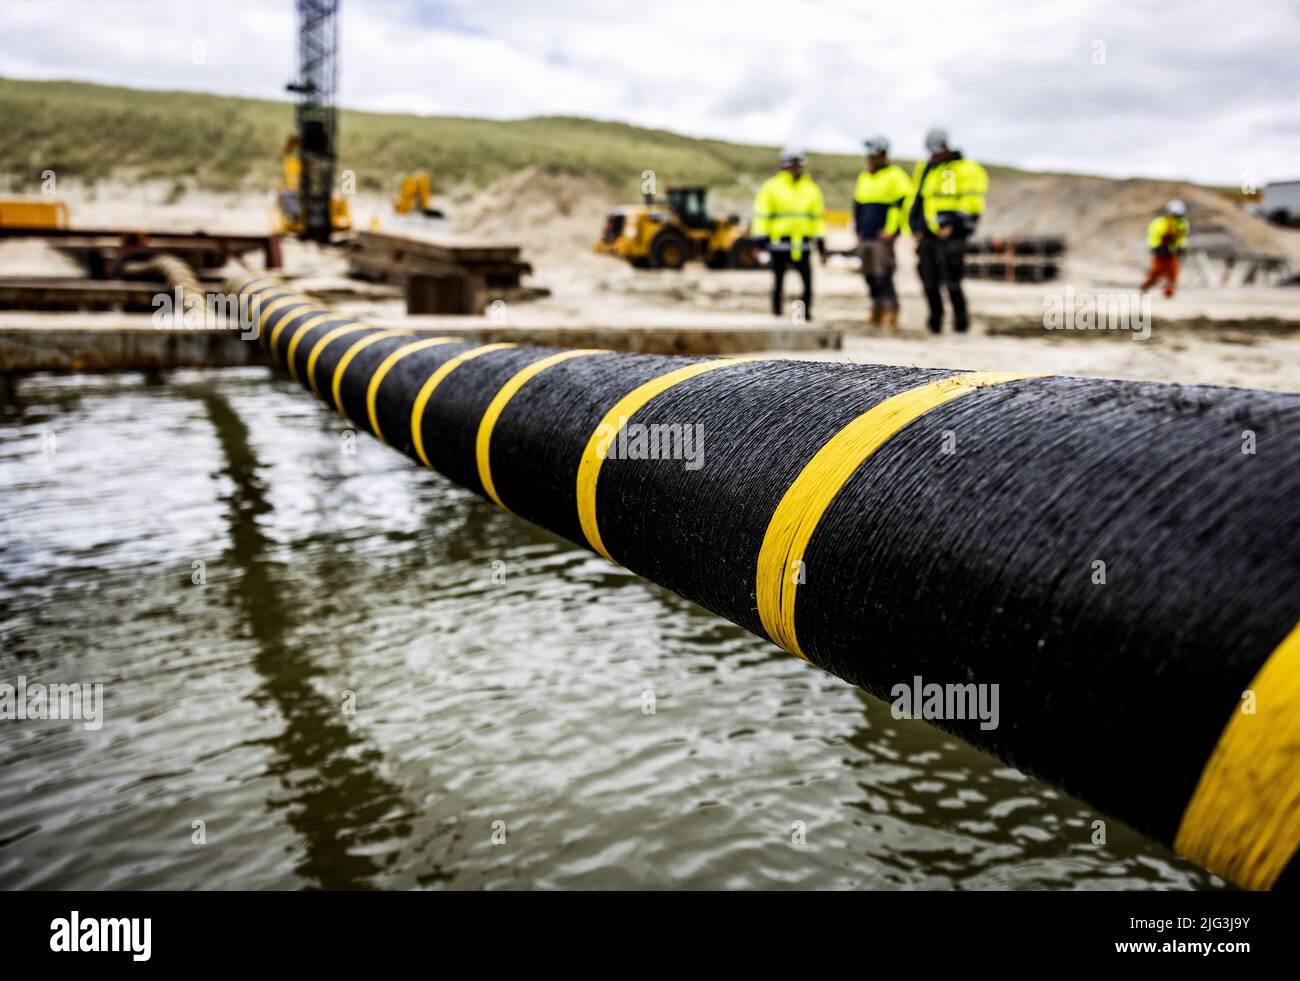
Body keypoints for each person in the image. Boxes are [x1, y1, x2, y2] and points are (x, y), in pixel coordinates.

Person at [906, 127, 988, 333]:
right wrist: (916, 227)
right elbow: (919, 200)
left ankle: (961, 324)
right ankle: (935, 323)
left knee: (952, 282)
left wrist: (953, 224)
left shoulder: (965, 169)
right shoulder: (929, 169)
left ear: (945, 147)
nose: (933, 155)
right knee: (929, 282)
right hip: (929, 235)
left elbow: (972, 203)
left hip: (953, 236)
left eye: (936, 151)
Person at [752, 147, 826, 319]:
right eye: (791, 165)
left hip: (802, 244)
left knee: (806, 283)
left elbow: (816, 218)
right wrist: (760, 241)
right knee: (779, 282)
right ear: (784, 166)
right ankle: (777, 315)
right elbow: (762, 216)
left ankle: (801, 316)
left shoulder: (811, 189)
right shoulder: (771, 187)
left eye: (797, 164)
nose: (794, 168)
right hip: (779, 244)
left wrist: (820, 240)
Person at [853, 136, 913, 330]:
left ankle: (891, 311)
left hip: (882, 237)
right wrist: (858, 230)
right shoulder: (864, 177)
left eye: (874, 155)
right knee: (868, 274)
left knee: (882, 274)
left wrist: (892, 230)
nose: (870, 159)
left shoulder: (896, 176)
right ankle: (876, 308)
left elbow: (903, 206)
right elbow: (858, 206)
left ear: (883, 155)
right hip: (866, 236)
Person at [1140, 199, 1189, 298]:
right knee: (1156, 272)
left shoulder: (1183, 224)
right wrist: (1155, 247)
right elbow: (1153, 235)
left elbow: (1182, 238)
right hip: (1160, 252)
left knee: (1173, 274)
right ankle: (1145, 286)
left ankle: (1168, 293)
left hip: (1172, 253)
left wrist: (1181, 248)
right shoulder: (1160, 223)